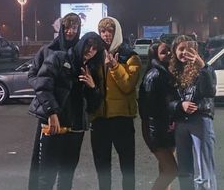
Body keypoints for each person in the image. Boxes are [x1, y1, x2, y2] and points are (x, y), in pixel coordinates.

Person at [29, 31, 105, 190]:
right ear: (81, 43)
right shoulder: (58, 58)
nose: (90, 50)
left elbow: (94, 105)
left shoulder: (91, 69)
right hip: (55, 127)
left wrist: (92, 87)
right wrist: (52, 113)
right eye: (88, 45)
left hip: (76, 130)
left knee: (66, 177)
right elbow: (43, 86)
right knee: (46, 178)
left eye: (95, 48)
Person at [28, 13, 81, 190]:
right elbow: (33, 75)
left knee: (67, 168)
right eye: (67, 27)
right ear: (61, 28)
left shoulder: (81, 52)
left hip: (73, 114)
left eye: (75, 27)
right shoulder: (47, 50)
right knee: (44, 168)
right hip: (50, 113)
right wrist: (47, 90)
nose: (71, 31)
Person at [90, 16, 142, 190]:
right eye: (102, 31)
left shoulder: (130, 56)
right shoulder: (94, 55)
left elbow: (128, 85)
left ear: (117, 32)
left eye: (109, 31)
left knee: (127, 167)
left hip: (122, 119)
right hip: (99, 119)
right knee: (102, 167)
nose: (106, 35)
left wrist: (114, 66)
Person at [168, 35, 217, 190]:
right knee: (184, 170)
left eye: (187, 49)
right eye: (180, 49)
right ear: (174, 51)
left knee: (204, 168)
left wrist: (202, 66)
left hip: (200, 120)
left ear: (195, 50)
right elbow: (167, 99)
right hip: (181, 123)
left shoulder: (204, 69)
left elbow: (209, 91)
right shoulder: (172, 71)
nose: (183, 52)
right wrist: (179, 105)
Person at [138, 41, 177, 190]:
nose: (168, 54)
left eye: (168, 51)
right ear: (155, 55)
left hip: (168, 128)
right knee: (171, 170)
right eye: (163, 52)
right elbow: (147, 109)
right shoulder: (153, 75)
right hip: (156, 130)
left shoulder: (168, 72)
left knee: (164, 170)